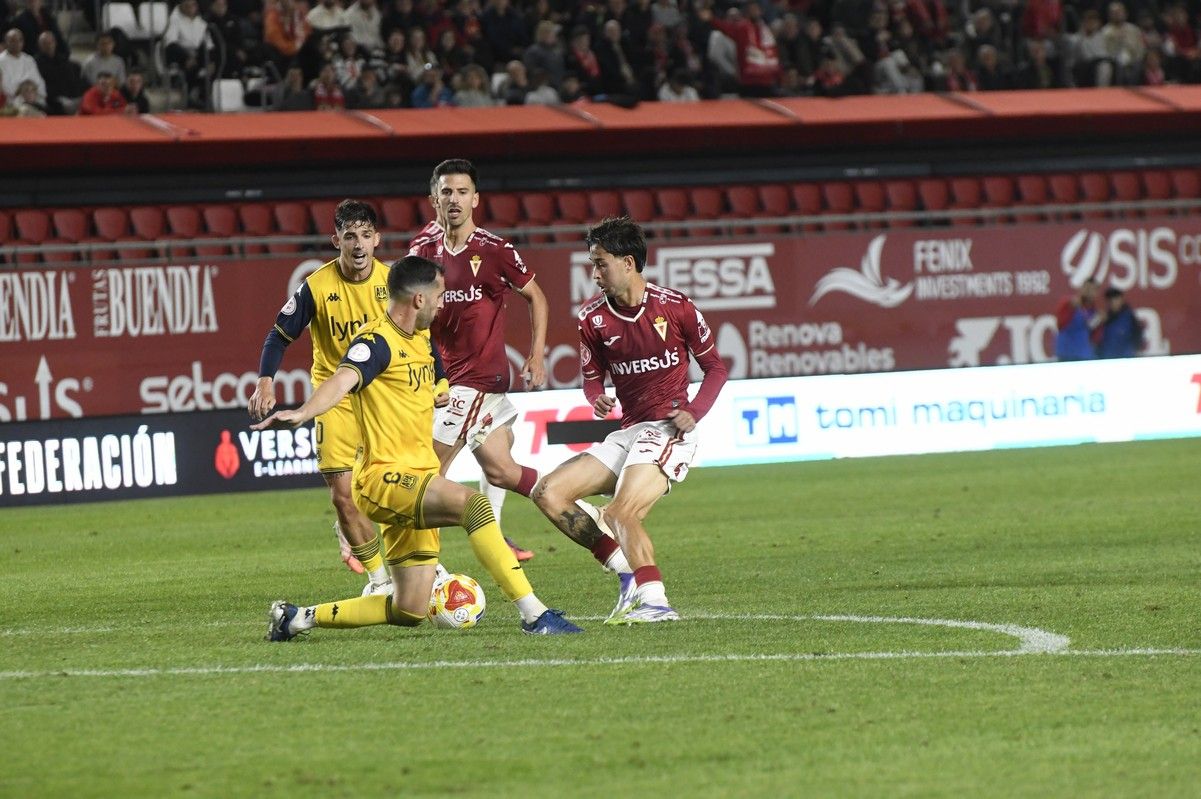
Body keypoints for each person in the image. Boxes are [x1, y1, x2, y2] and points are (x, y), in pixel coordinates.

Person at [262, 255, 582, 639]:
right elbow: (342, 379)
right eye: (440, 295)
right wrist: (303, 412)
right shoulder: (376, 341)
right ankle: (535, 615)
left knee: (410, 608)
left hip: (417, 476)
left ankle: (298, 618)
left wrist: (441, 389)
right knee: (475, 506)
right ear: (418, 299)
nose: (443, 303)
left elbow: (432, 372)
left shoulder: (420, 339)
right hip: (385, 479)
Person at [531, 216, 728, 624]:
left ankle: (656, 603)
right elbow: (590, 379)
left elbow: (715, 368)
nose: (594, 273)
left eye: (600, 263)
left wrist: (694, 412)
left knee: (621, 513)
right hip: (629, 432)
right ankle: (626, 575)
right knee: (548, 493)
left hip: (668, 428)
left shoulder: (675, 307)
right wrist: (596, 398)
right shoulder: (592, 320)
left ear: (628, 263)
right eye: (592, 264)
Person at [250, 200, 395, 593]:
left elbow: (422, 339)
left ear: (378, 239)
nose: (359, 244)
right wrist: (266, 380)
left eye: (366, 235)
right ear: (336, 241)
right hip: (335, 398)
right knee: (343, 496)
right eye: (350, 236)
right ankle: (380, 580)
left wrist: (437, 382)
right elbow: (277, 336)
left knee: (394, 487)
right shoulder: (316, 286)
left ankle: (415, 567)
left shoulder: (394, 283)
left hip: (384, 398)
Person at [409, 159, 550, 563]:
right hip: (439, 380)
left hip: (475, 380)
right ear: (434, 198)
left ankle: (424, 565)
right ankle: (556, 504)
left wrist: (537, 353)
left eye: (462, 192)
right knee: (500, 466)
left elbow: (537, 296)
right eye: (446, 191)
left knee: (428, 472)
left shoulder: (495, 250)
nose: (454, 199)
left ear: (476, 199)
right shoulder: (422, 250)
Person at [1054, 278, 1101, 361]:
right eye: (1087, 288)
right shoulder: (1069, 303)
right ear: (1081, 289)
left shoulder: (1094, 311)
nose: (1089, 292)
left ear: (1096, 293)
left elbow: (1095, 336)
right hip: (1067, 354)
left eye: (1092, 289)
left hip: (1084, 354)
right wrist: (1070, 306)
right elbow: (1059, 323)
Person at [1097, 287, 1144, 358]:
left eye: (1116, 298)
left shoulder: (1130, 318)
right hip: (1107, 360)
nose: (1113, 301)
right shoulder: (1103, 318)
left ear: (1121, 299)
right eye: (1110, 299)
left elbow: (1138, 338)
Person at [0, 28, 45, 104]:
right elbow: (5, 86)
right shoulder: (1, 61)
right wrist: (22, 89)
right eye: (12, 41)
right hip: (12, 101)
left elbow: (39, 81)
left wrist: (31, 89)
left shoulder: (29, 59)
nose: (16, 43)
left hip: (34, 98)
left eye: (19, 40)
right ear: (6, 43)